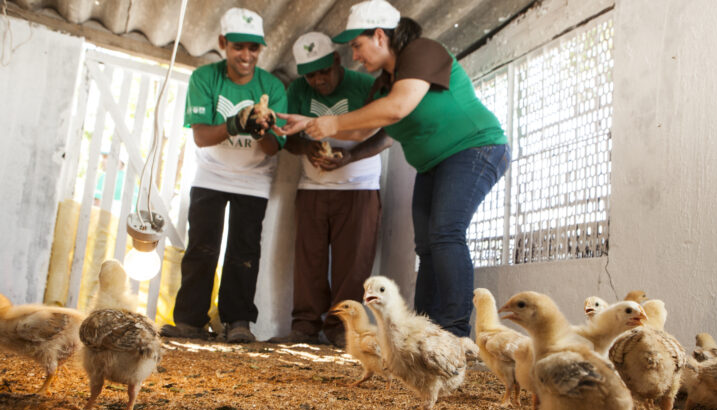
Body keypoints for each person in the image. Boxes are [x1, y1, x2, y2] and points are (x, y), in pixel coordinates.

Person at [276, 0, 510, 338]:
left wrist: (330, 123)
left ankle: (456, 334)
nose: (355, 56)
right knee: (427, 246)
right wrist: (313, 125)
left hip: (477, 148)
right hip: (433, 164)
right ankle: (426, 335)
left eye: (357, 45)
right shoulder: (383, 84)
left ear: (379, 36)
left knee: (445, 233)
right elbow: (363, 132)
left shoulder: (422, 51)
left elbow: (397, 108)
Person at [159, 7, 286, 343]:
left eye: (254, 48)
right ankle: (190, 321)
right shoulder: (205, 78)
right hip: (210, 174)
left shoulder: (272, 86)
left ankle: (238, 322)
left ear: (261, 49)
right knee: (202, 247)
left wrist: (264, 130)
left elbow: (275, 149)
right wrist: (235, 123)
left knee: (244, 252)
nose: (246, 55)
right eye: (238, 47)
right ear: (223, 43)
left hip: (254, 179)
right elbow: (201, 136)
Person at [268, 32, 392, 347]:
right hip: (312, 185)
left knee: (354, 263)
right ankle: (305, 328)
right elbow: (289, 138)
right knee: (308, 261)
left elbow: (389, 133)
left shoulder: (365, 85)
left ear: (337, 60)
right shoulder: (296, 89)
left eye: (325, 71)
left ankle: (342, 330)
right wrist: (305, 150)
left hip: (360, 185)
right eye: (311, 75)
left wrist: (351, 155)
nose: (319, 80)